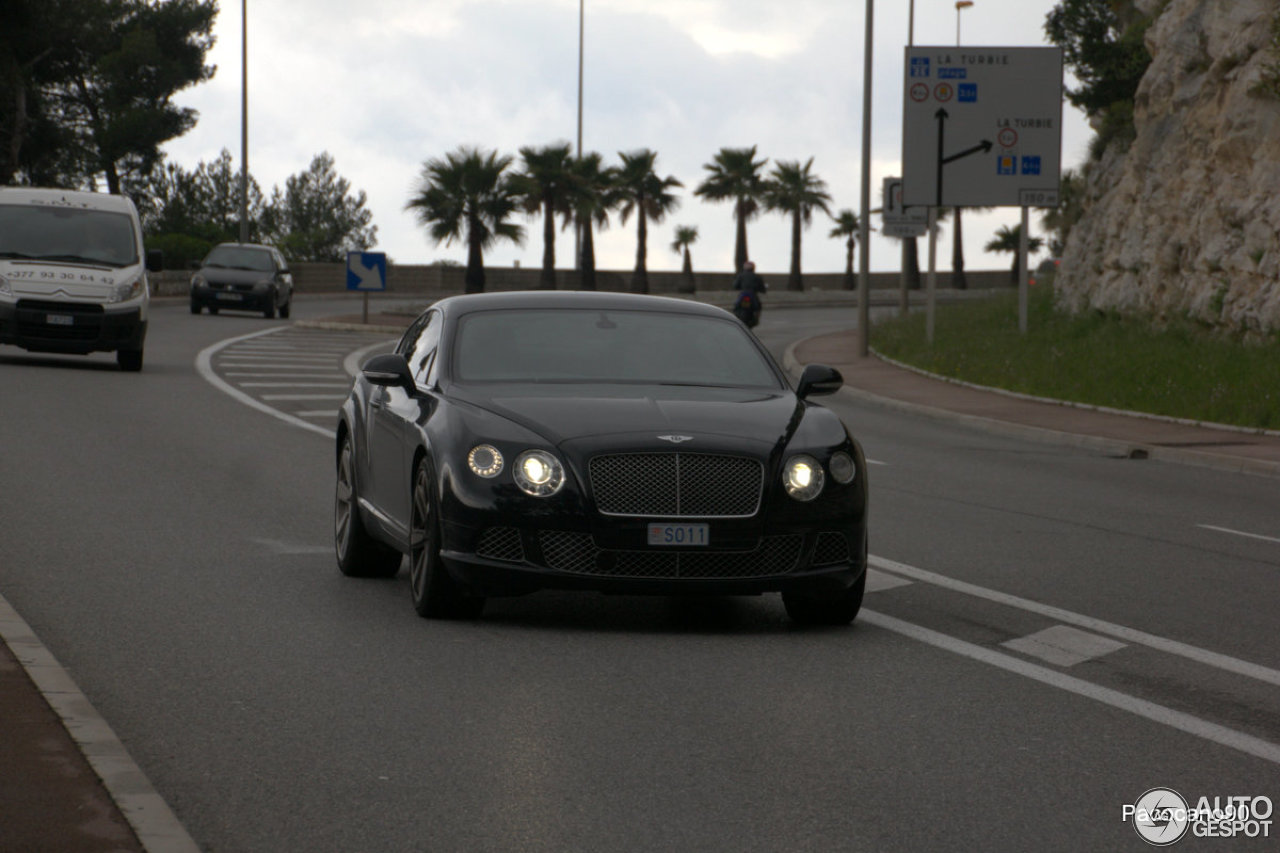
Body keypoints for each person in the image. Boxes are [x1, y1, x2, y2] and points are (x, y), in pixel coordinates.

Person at [731, 260, 767, 328]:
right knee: (758, 307)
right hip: (752, 294)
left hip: (743, 294)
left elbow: (735, 286)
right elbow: (762, 288)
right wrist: (763, 290)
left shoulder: (741, 275)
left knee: (736, 307)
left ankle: (735, 319)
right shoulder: (757, 276)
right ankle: (756, 319)